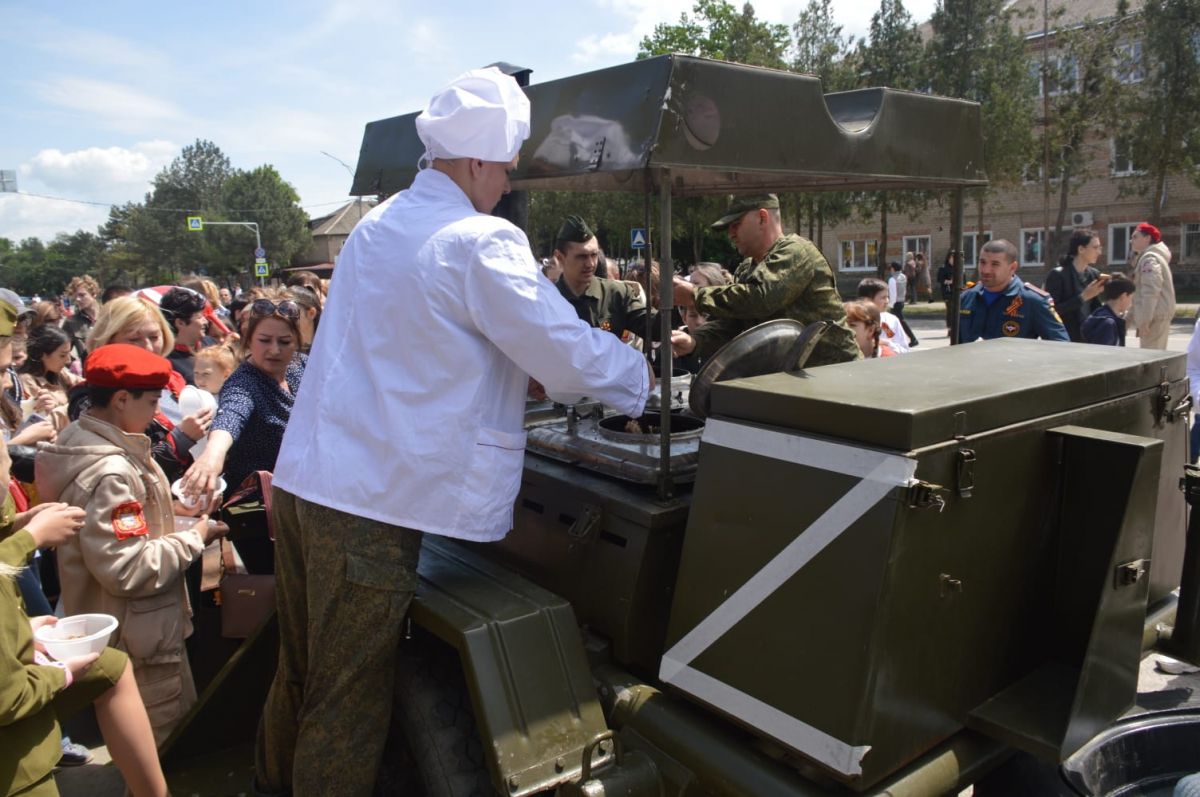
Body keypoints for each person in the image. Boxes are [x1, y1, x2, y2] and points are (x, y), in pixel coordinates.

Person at [251, 68, 651, 797]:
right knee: (347, 698)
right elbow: (561, 346)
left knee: (302, 673)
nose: (506, 184)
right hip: (367, 507)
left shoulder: (379, 223)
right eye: (503, 168)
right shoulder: (478, 238)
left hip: (310, 483)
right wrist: (639, 377)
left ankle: (267, 784)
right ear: (474, 163)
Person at [35, 344, 228, 747]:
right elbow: (127, 569)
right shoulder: (111, 472)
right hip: (138, 634)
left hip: (132, 628)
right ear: (122, 399)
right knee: (161, 751)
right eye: (153, 401)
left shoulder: (87, 441)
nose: (158, 412)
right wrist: (194, 537)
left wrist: (170, 514)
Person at [671, 194, 860, 367]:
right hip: (797, 378)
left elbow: (762, 298)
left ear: (762, 218)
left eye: (736, 224)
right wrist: (695, 341)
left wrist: (695, 295)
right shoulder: (746, 269)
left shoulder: (796, 251)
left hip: (836, 371)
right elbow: (734, 324)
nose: (731, 234)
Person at [73, 297, 212, 482]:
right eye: (134, 339)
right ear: (108, 341)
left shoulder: (173, 379)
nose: (148, 347)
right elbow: (124, 471)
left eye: (154, 337)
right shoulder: (90, 397)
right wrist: (181, 439)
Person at [180, 290, 307, 494]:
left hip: (303, 489)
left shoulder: (302, 366)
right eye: (265, 340)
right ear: (248, 341)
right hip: (259, 504)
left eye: (284, 342)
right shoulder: (242, 383)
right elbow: (231, 416)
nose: (275, 350)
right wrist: (213, 455)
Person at [554, 214, 652, 341]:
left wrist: (678, 301)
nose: (590, 264)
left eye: (594, 255)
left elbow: (651, 326)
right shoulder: (548, 299)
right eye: (581, 256)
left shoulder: (617, 294)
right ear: (560, 258)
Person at [958, 240, 1069, 342]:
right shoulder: (967, 297)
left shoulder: (1032, 301)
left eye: (995, 264)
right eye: (982, 262)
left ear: (1012, 267)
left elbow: (1060, 345)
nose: (986, 270)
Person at [1043, 228, 1109, 342]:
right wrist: (1083, 297)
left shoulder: (1094, 274)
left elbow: (1096, 309)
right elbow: (1050, 312)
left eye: (1100, 248)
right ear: (1081, 249)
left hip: (1088, 338)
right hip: (1064, 339)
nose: (1099, 252)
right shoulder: (1058, 275)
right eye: (1095, 247)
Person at [17, 325, 79, 431]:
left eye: (69, 354)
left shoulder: (59, 373)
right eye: (62, 355)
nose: (68, 360)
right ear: (43, 354)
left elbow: (82, 382)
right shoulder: (27, 381)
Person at [1127, 222, 1176, 350]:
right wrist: (1129, 318)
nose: (1131, 240)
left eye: (1135, 237)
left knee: (1151, 359)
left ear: (1147, 238)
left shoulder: (1149, 259)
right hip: (1155, 316)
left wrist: (1145, 321)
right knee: (1154, 356)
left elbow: (1151, 291)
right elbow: (1139, 293)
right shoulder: (1150, 257)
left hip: (1154, 318)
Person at [159, 287, 210, 385]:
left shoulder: (211, 344)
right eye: (199, 317)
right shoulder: (167, 363)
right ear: (180, 323)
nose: (206, 322)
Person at [857, 277, 910, 353]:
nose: (887, 301)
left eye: (887, 297)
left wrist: (887, 344)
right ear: (867, 300)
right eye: (883, 298)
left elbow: (904, 349)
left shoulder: (891, 320)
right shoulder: (855, 321)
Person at [1081, 275, 1135, 346]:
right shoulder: (1108, 324)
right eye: (1131, 298)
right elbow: (1103, 355)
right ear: (1123, 296)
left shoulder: (1098, 313)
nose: (1131, 303)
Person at [62, 275, 101, 371]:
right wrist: (74, 365)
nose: (78, 300)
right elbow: (60, 351)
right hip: (89, 374)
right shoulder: (71, 322)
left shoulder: (111, 315)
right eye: (75, 297)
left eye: (82, 295)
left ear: (94, 294)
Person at [887, 262, 919, 346]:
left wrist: (890, 304)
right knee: (897, 321)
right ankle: (894, 339)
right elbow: (904, 290)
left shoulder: (892, 279)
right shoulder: (903, 277)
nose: (890, 270)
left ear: (893, 269)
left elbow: (893, 294)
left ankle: (912, 338)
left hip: (895, 302)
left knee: (897, 321)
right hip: (901, 301)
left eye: (891, 268)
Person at [285, 287, 321, 353]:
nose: (285, 317)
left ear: (311, 313)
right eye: (281, 310)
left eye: (291, 311)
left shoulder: (327, 351)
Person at [937, 251, 958, 331]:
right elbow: (940, 279)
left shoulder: (959, 268)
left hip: (957, 291)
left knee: (957, 310)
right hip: (948, 291)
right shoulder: (943, 268)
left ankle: (956, 327)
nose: (953, 260)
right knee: (950, 310)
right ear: (948, 258)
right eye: (952, 258)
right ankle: (950, 328)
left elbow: (964, 280)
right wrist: (948, 281)